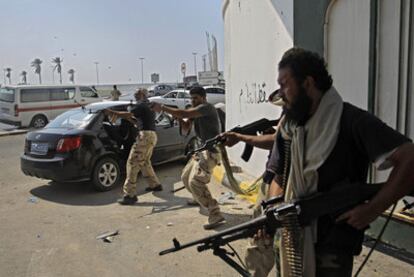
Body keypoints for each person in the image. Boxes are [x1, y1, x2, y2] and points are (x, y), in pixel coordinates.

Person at [222, 47, 414, 277]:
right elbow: (280, 175)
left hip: (333, 244)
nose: (280, 93)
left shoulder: (350, 120)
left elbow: (408, 156)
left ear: (308, 83)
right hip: (292, 234)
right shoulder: (289, 128)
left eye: (284, 84)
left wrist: (372, 209)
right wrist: (273, 209)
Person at [152, 86, 225, 230]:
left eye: (196, 98)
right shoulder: (195, 112)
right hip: (200, 151)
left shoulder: (206, 108)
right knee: (185, 177)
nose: (193, 100)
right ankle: (199, 198)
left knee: (195, 182)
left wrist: (163, 108)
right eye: (191, 98)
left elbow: (184, 112)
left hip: (211, 151)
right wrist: (179, 119)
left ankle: (215, 212)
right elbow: (185, 127)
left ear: (203, 98)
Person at [105, 88, 162, 205]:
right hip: (151, 135)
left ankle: (129, 195)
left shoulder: (140, 105)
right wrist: (126, 117)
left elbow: (128, 113)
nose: (135, 96)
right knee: (145, 162)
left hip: (145, 136)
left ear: (142, 94)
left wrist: (112, 113)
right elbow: (136, 121)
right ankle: (155, 185)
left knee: (132, 163)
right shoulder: (148, 105)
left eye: (136, 94)